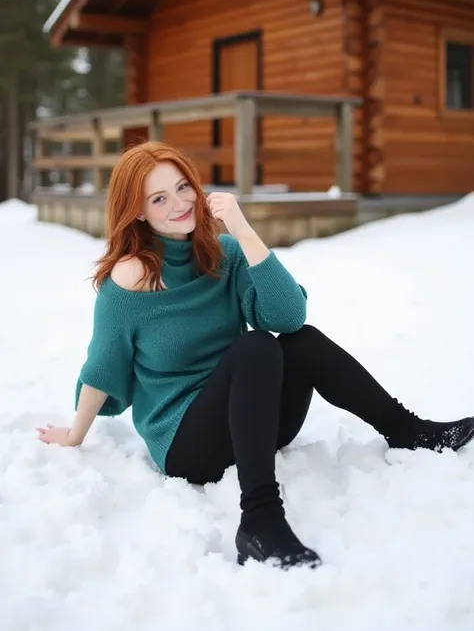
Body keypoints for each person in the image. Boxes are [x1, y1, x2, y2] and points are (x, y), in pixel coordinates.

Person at [37, 141, 474, 571]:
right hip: (187, 445)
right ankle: (260, 520)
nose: (179, 203)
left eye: (183, 187)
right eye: (159, 197)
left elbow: (289, 315)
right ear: (137, 210)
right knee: (256, 346)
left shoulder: (224, 255)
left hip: (256, 422)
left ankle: (405, 430)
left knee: (299, 340)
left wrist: (243, 232)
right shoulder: (129, 281)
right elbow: (103, 366)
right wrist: (76, 433)